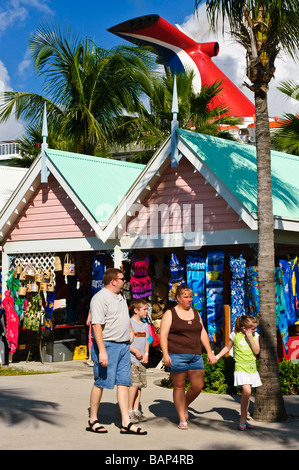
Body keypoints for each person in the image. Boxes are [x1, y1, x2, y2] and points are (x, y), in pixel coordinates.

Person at [87, 268, 147, 435]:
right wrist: (102, 351)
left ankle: (126, 422)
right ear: (113, 281)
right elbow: (96, 325)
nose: (125, 281)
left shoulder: (120, 296)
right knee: (101, 382)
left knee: (124, 383)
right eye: (122, 278)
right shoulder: (99, 298)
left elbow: (123, 317)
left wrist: (130, 331)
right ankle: (93, 419)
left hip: (123, 346)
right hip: (107, 345)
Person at [160, 283, 217, 430]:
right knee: (179, 386)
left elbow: (202, 332)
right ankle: (181, 417)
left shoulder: (196, 313)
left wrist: (209, 351)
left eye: (190, 296)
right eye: (185, 297)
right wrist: (165, 354)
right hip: (176, 355)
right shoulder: (170, 313)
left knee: (198, 386)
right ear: (178, 298)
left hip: (195, 355)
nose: (189, 299)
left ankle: (183, 405)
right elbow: (163, 335)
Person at [215, 314, 262, 430]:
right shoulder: (235, 335)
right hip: (240, 368)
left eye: (255, 328)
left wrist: (251, 338)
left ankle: (244, 419)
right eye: (253, 328)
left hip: (251, 368)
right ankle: (242, 419)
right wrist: (216, 357)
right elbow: (227, 348)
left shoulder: (255, 336)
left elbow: (257, 351)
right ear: (244, 328)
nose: (255, 330)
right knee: (247, 391)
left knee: (248, 394)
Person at [128, 299, 149, 423]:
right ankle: (129, 411)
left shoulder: (145, 325)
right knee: (133, 386)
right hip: (132, 360)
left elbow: (146, 341)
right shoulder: (129, 323)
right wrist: (135, 351)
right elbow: (125, 343)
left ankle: (136, 410)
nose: (147, 312)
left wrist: (146, 353)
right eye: (144, 309)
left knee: (139, 386)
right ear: (136, 310)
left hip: (141, 361)